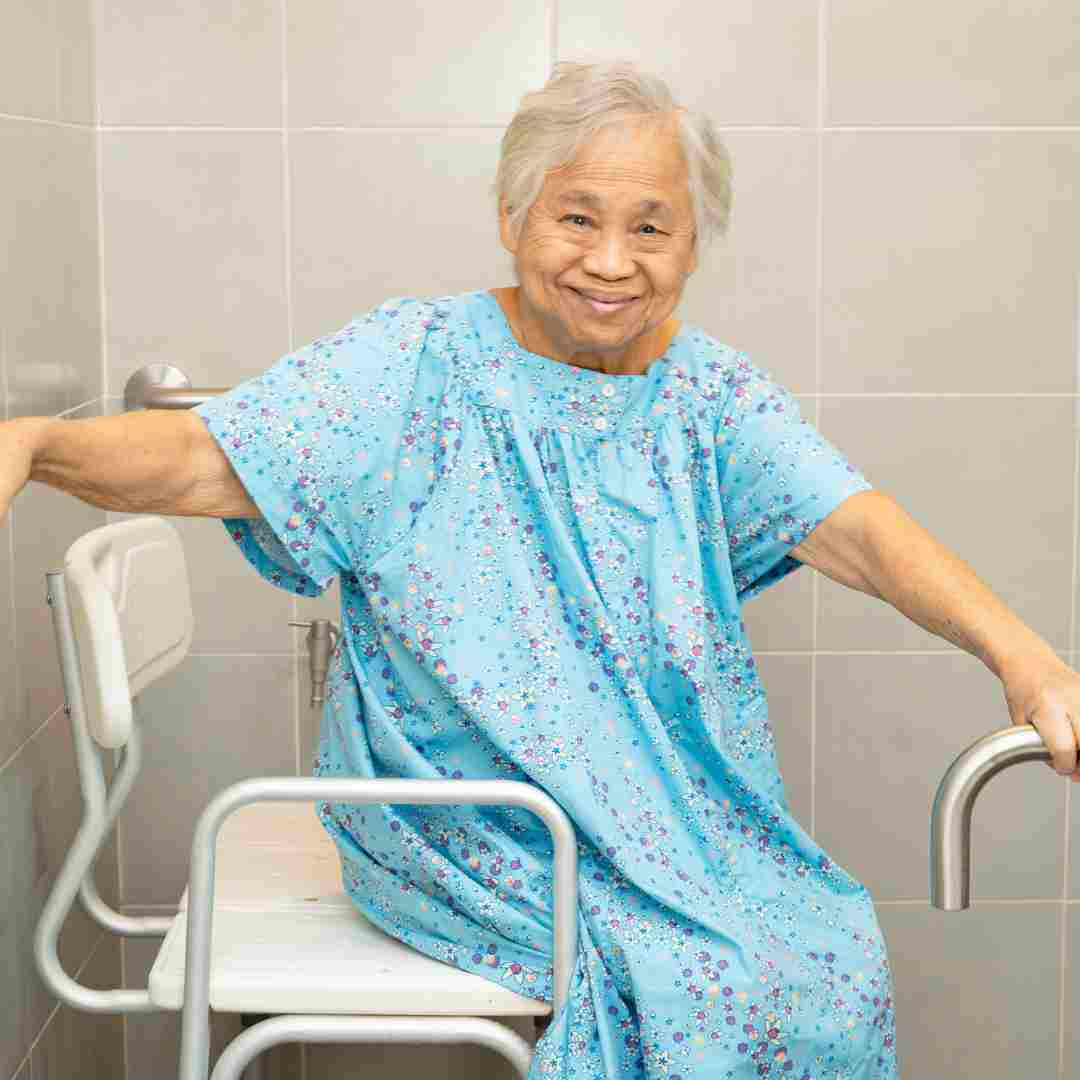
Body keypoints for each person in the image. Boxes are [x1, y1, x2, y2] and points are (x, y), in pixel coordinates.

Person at [3, 59, 1079, 1080]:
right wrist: (39, 444)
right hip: (453, 813)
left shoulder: (712, 398)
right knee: (705, 979)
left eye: (649, 227)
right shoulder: (413, 364)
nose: (612, 262)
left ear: (694, 243)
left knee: (828, 953)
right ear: (513, 219)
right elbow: (203, 459)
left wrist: (1023, 660)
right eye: (577, 218)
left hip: (665, 809)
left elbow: (859, 527)